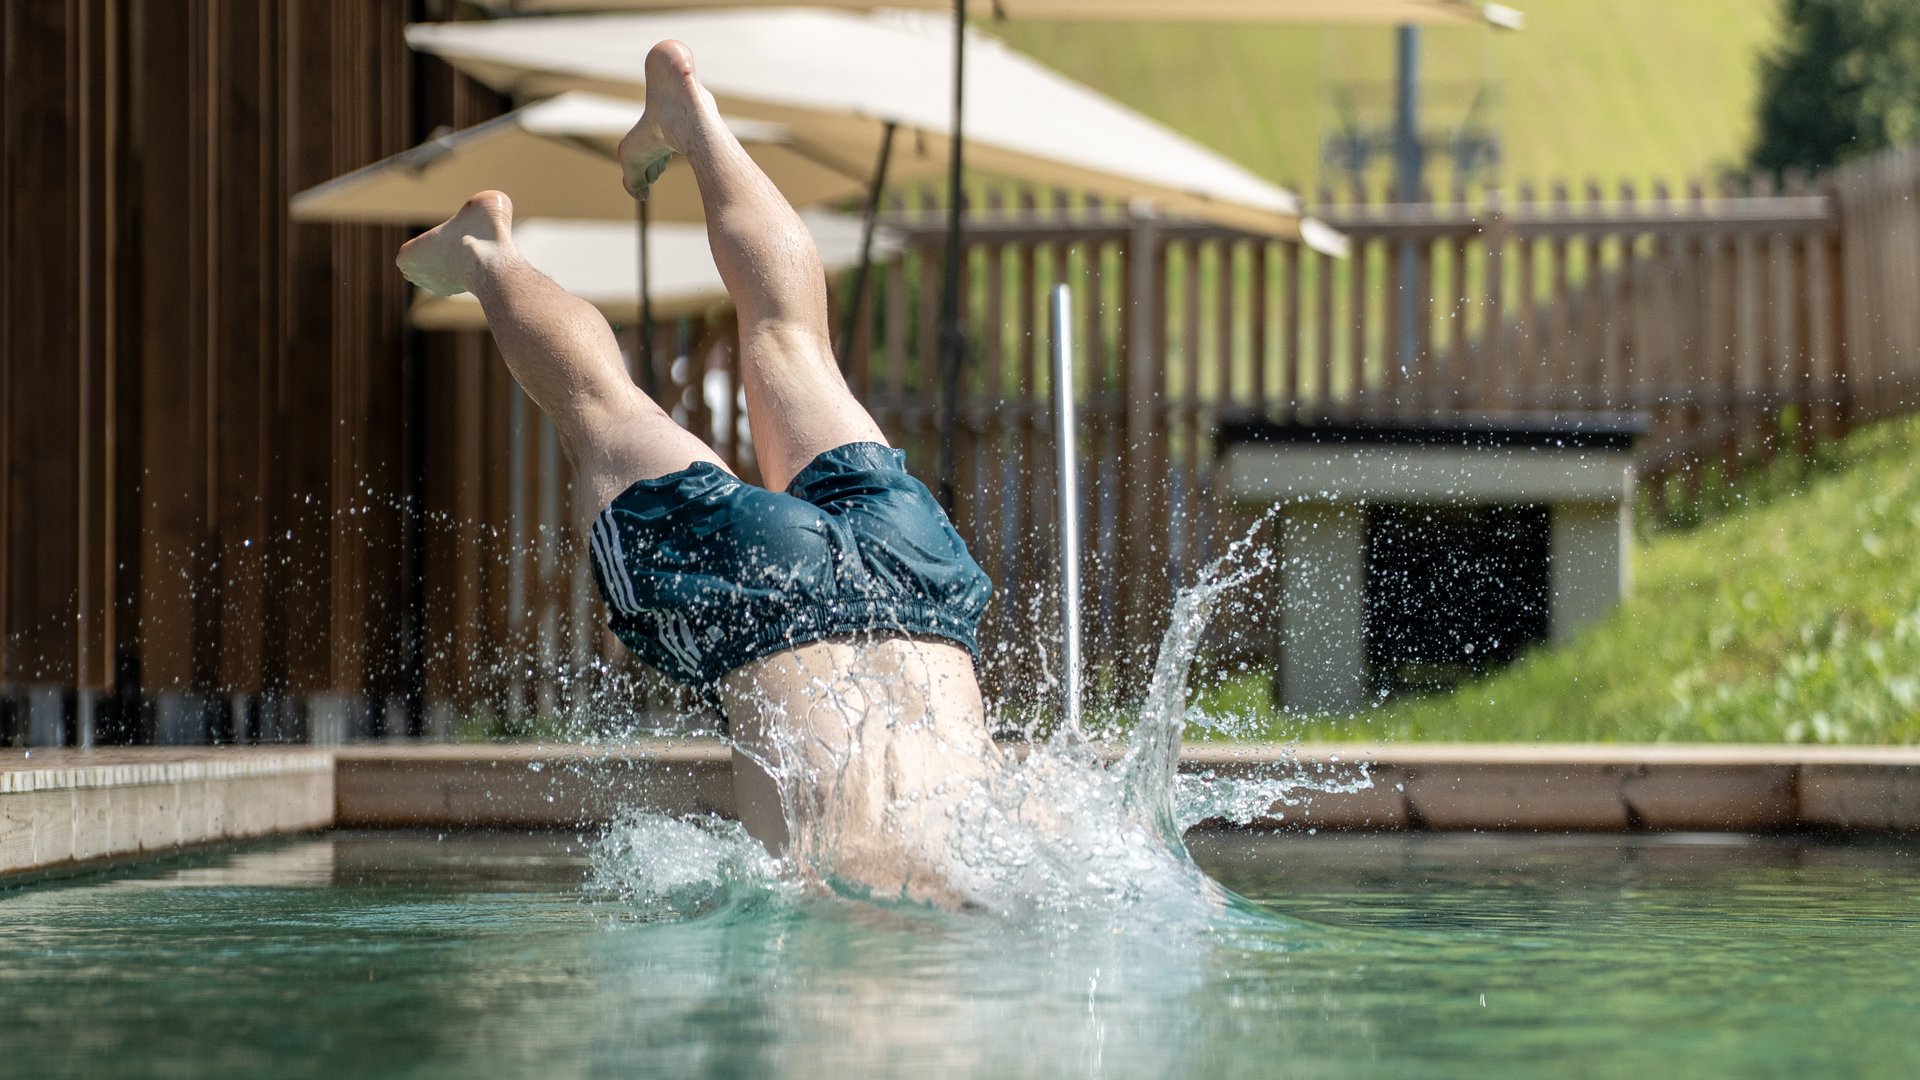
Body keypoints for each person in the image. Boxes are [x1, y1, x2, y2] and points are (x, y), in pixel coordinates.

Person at [396, 40, 1001, 907]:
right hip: (766, 612)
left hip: (917, 585)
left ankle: (696, 123)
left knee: (795, 344)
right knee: (607, 407)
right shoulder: (885, 944)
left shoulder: (1009, 884)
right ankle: (487, 254)